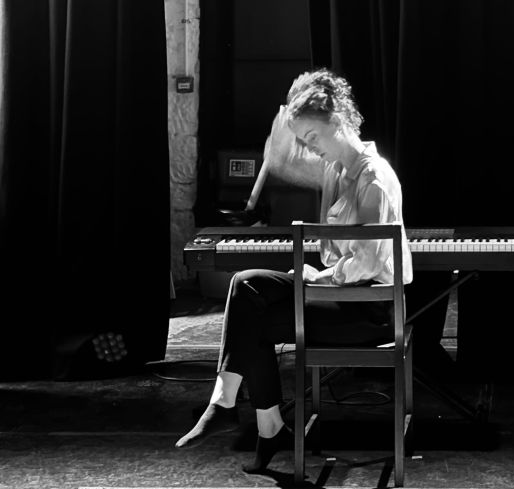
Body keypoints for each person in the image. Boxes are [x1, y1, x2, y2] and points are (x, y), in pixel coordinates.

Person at [174, 68, 413, 473]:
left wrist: (317, 276)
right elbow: (295, 168)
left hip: (371, 309)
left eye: (313, 138)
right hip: (345, 296)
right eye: (305, 142)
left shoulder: (373, 177)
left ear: (337, 121)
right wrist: (285, 141)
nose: (310, 148)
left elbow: (369, 262)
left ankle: (248, 416)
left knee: (255, 319)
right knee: (246, 285)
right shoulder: (338, 168)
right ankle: (238, 409)